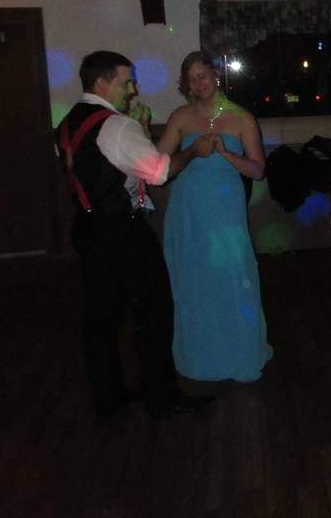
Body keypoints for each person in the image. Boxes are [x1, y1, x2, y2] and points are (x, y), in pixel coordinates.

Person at [56, 51, 214, 418]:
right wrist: (192, 150)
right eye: (126, 81)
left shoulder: (66, 124)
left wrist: (140, 137)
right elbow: (159, 173)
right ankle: (161, 398)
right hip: (122, 232)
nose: (133, 89)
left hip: (87, 228)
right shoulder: (115, 126)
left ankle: (107, 396)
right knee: (155, 311)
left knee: (100, 318)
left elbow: (100, 170)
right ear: (102, 83)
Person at [156, 51, 273, 382]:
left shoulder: (241, 118)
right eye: (191, 79)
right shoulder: (180, 117)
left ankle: (238, 354)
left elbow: (258, 170)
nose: (198, 84)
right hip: (187, 210)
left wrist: (225, 154)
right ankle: (199, 357)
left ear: (215, 75)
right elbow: (157, 166)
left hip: (224, 212)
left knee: (232, 279)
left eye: (202, 76)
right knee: (193, 282)